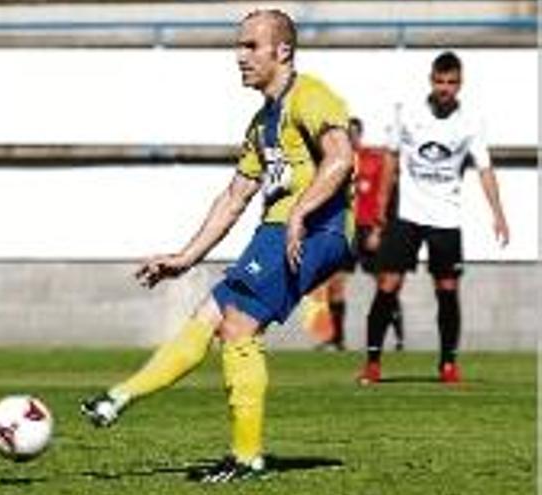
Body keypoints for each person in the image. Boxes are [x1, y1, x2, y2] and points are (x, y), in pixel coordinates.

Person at [81, 9, 354, 483]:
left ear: (282, 51)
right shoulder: (261, 123)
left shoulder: (310, 96)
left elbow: (342, 157)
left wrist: (301, 213)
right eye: (239, 46)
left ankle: (246, 457)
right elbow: (234, 198)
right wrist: (186, 257)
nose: (240, 56)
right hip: (279, 231)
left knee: (239, 327)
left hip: (316, 230)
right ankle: (118, 397)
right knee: (210, 313)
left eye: (251, 46)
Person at [357, 51, 509, 385]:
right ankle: (372, 363)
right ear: (431, 80)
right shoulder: (409, 113)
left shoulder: (471, 121)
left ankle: (448, 365)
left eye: (451, 82)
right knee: (387, 284)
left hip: (446, 217)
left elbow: (485, 169)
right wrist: (381, 213)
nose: (445, 88)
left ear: (460, 84)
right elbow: (391, 162)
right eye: (440, 81)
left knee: (447, 288)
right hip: (407, 214)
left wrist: (498, 214)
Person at [315, 117, 404, 352]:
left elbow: (386, 195)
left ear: (359, 135)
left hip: (369, 228)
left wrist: (378, 229)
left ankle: (397, 337)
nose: (349, 138)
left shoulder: (373, 160)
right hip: (344, 230)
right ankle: (337, 340)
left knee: (385, 283)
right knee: (335, 284)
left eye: (353, 133)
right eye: (345, 134)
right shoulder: (332, 162)